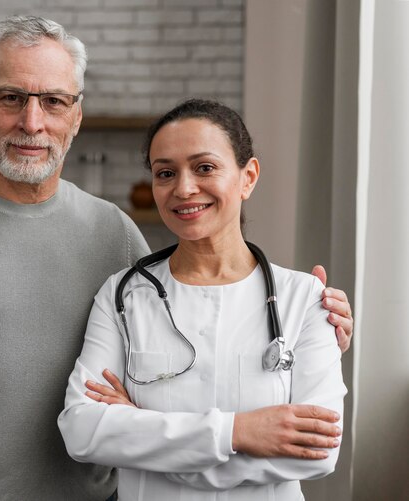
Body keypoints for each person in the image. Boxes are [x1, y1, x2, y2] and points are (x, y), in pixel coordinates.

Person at [0, 16, 352, 501]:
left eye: (53, 101)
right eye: (11, 98)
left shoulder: (114, 232)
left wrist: (311, 327)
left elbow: (198, 346)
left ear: (76, 115)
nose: (32, 122)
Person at [58, 99, 348, 500]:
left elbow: (318, 452)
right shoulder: (122, 296)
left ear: (248, 177)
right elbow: (82, 430)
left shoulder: (305, 299)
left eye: (205, 167)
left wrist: (143, 435)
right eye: (165, 173)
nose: (184, 188)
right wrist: (237, 432)